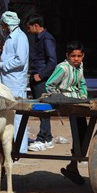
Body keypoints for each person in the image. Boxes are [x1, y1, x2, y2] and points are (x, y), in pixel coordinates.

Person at [46, 40, 88, 185]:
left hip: (77, 102)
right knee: (79, 132)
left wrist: (83, 96)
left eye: (79, 56)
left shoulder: (80, 67)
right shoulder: (62, 68)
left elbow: (82, 84)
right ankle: (74, 163)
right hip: (66, 102)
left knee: (83, 132)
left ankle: (73, 164)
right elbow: (50, 84)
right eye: (73, 56)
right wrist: (59, 98)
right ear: (67, 56)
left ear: (83, 56)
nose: (76, 59)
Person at [0, 11, 30, 153]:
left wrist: (1, 65)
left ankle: (20, 149)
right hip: (7, 82)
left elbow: (20, 61)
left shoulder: (20, 38)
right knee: (8, 116)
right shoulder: (11, 37)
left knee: (18, 117)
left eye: (3, 23)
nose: (2, 26)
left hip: (15, 83)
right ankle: (9, 147)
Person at [26, 13, 58, 151]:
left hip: (42, 80)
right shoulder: (39, 39)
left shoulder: (47, 39)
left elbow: (52, 61)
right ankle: (48, 137)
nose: (28, 30)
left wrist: (41, 75)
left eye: (29, 27)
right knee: (41, 110)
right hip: (36, 78)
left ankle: (42, 138)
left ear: (36, 26)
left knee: (43, 110)